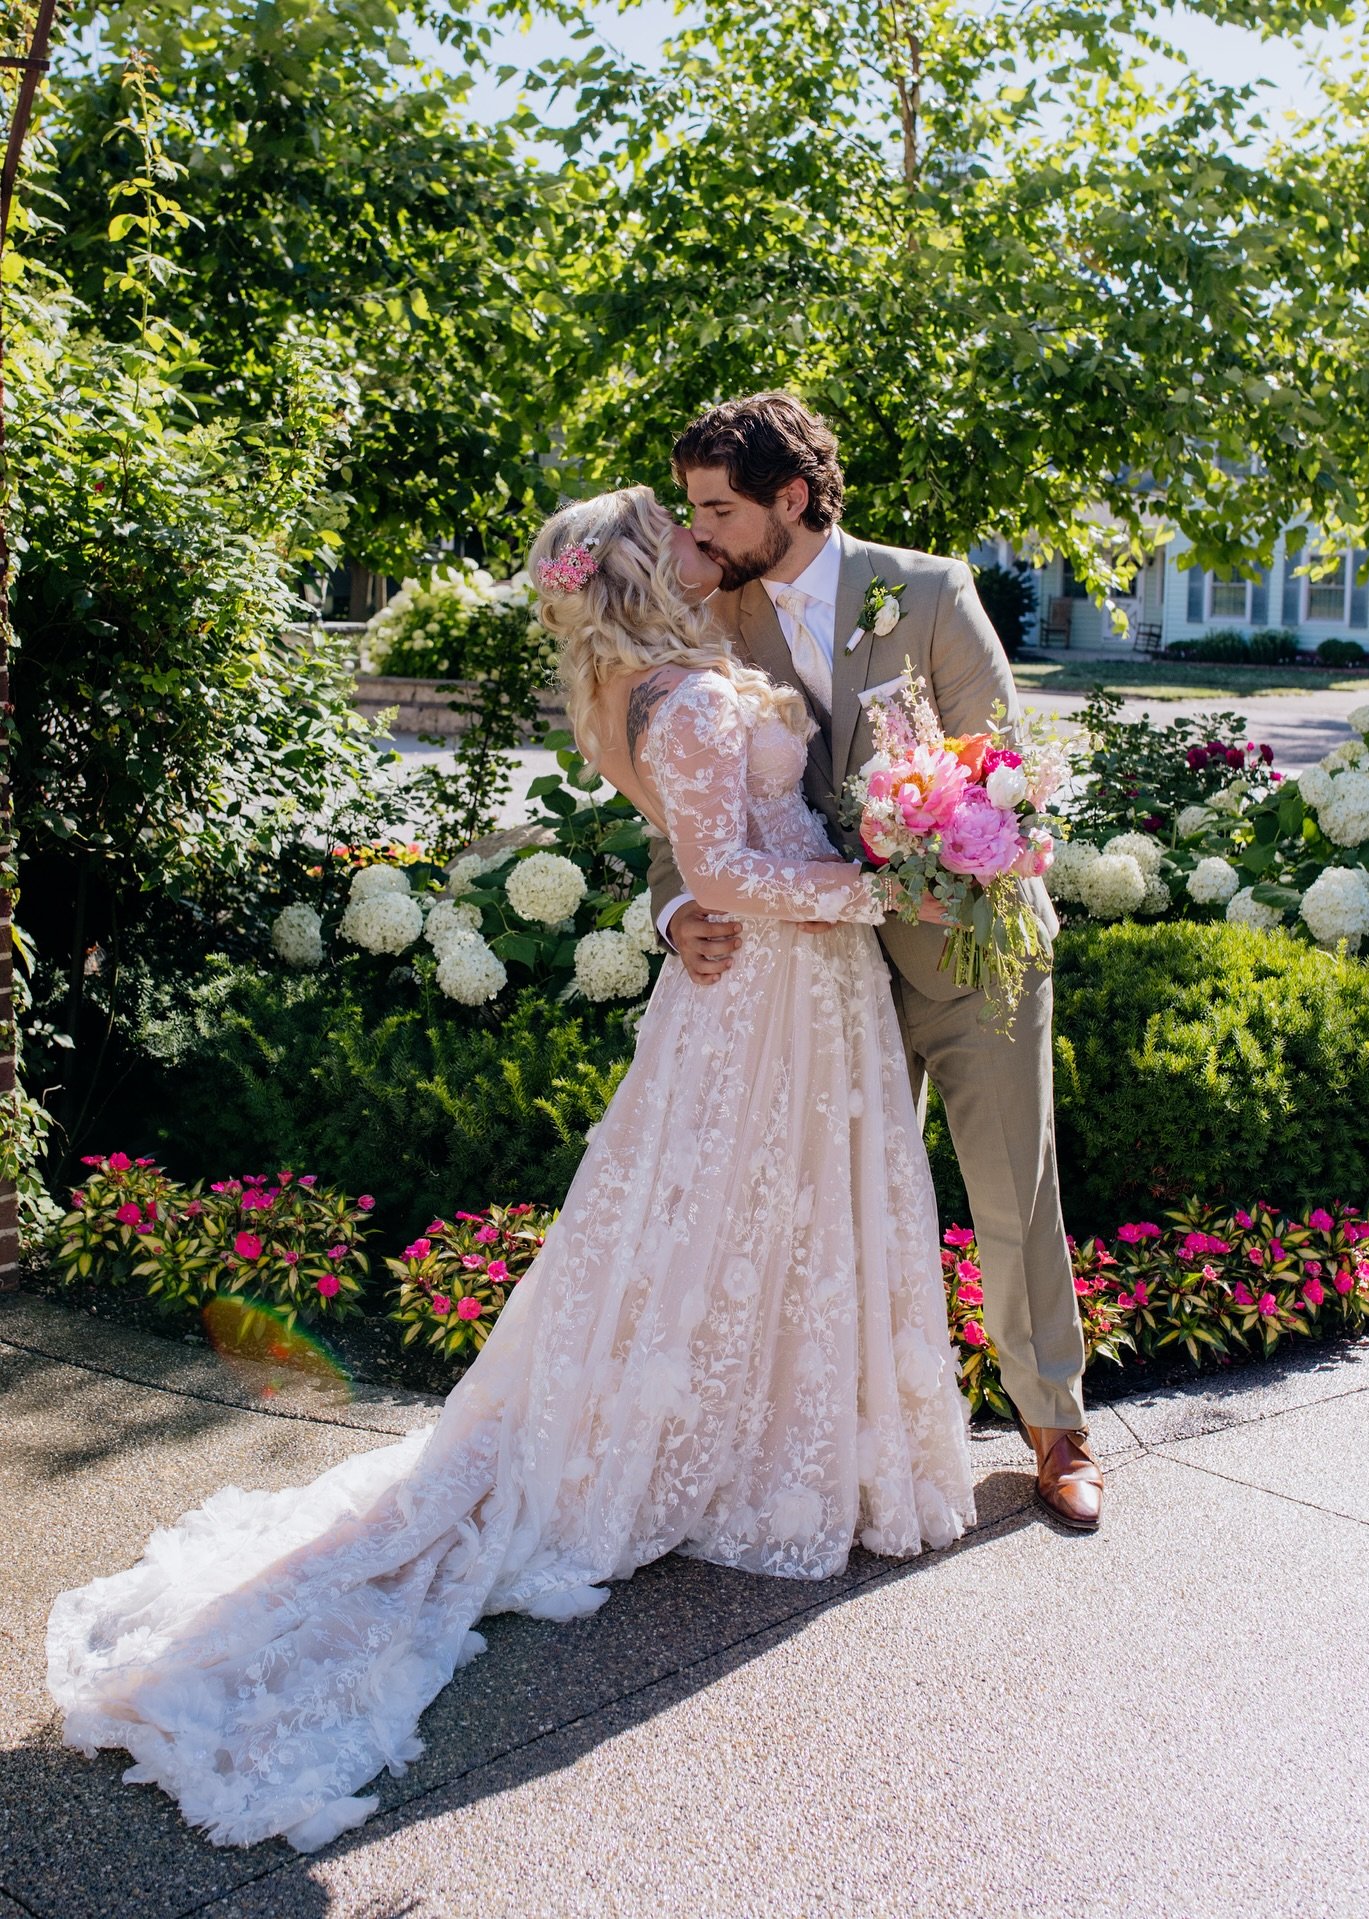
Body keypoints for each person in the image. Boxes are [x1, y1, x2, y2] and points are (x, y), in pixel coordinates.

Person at [45, 483, 973, 1855]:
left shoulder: (656, 691)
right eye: (687, 535)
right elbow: (718, 864)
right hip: (773, 992)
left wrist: (842, 864)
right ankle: (717, 1456)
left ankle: (762, 1436)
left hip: (782, 999)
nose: (706, 546)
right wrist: (888, 882)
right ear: (654, 571)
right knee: (728, 1215)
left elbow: (716, 857)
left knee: (745, 1220)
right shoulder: (690, 696)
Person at [650, 392, 1101, 1533]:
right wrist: (672, 909)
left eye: (717, 508)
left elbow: (1000, 765)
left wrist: (959, 839)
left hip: (971, 949)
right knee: (841, 1212)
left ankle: (1058, 1430)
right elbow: (679, 786)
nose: (698, 532)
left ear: (789, 499)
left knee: (1010, 1193)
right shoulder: (717, 617)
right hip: (812, 978)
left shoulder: (933, 589)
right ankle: (852, 1445)